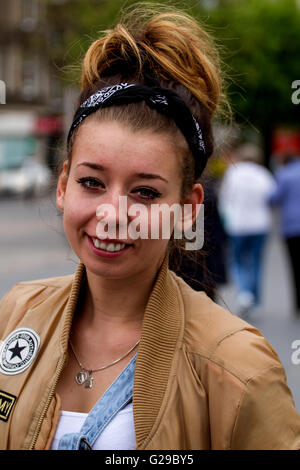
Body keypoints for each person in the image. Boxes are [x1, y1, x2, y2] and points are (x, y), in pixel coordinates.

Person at [0, 4, 300, 451]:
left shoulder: (237, 366)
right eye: (91, 182)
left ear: (186, 207)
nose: (113, 213)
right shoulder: (17, 314)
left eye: (145, 192)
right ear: (63, 186)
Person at [218, 144, 276, 316]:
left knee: (237, 260)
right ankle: (256, 300)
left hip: (238, 225)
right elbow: (272, 198)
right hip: (260, 224)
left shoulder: (233, 173)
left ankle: (244, 293)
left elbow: (225, 198)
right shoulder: (263, 174)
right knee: (257, 262)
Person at [268, 153, 300, 315]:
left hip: (292, 227)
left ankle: (297, 304)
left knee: (294, 266)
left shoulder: (284, 175)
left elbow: (274, 198)